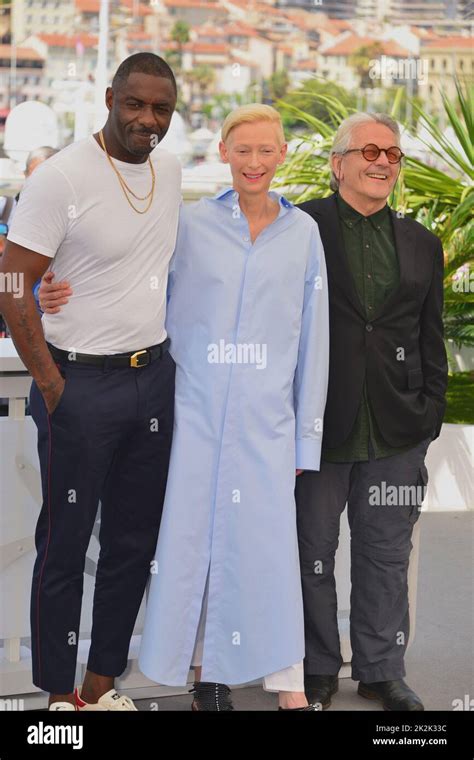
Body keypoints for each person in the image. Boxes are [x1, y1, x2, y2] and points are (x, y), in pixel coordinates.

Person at [40, 104, 330, 711]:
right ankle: (206, 678)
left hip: (267, 425)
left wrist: (306, 440)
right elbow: (130, 280)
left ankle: (290, 686)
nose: (254, 162)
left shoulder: (303, 234)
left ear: (282, 156)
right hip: (191, 419)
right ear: (223, 152)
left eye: (266, 150)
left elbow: (315, 340)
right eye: (242, 149)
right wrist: (49, 287)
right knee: (194, 549)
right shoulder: (191, 224)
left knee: (270, 555)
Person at [0, 53, 181, 711]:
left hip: (151, 380)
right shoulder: (61, 177)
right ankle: (56, 696)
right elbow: (13, 281)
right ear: (110, 98)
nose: (147, 120)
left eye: (161, 108)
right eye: (135, 104)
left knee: (134, 544)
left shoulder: (169, 169)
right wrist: (51, 385)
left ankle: (101, 689)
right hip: (78, 385)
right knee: (64, 549)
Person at [295, 113, 448, 711]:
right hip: (318, 427)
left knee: (387, 553)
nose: (383, 161)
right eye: (369, 151)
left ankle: (383, 669)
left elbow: (429, 335)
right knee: (311, 548)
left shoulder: (421, 243)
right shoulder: (300, 227)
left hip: (398, 430)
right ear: (339, 165)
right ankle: (316, 666)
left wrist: (428, 412)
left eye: (393, 153)